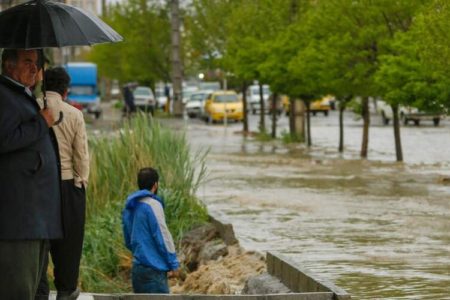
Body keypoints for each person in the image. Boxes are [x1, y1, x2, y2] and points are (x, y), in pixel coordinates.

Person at [0, 49, 62, 300]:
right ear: (8, 64)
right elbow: (4, 138)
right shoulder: (4, 96)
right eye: (27, 62)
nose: (34, 69)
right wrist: (41, 122)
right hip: (18, 220)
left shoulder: (22, 95)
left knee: (35, 289)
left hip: (34, 217)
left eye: (37, 64)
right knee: (18, 290)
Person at [35, 67, 89, 300]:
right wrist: (80, 182)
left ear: (41, 85)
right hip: (68, 185)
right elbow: (82, 156)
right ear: (65, 91)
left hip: (36, 186)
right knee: (69, 242)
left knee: (39, 243)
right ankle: (66, 290)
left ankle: (39, 290)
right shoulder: (74, 114)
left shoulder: (30, 107)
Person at [122, 168, 179, 293]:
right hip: (154, 270)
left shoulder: (130, 206)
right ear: (155, 185)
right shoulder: (153, 205)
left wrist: (140, 251)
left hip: (137, 268)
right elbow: (163, 236)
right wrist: (173, 264)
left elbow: (128, 239)